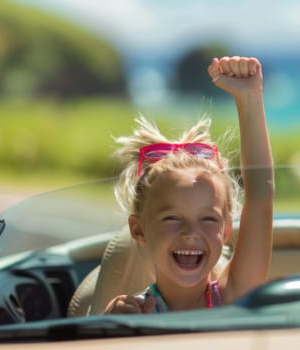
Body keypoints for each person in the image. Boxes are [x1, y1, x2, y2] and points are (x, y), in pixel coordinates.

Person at [104, 55, 274, 313]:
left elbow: (261, 195)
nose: (190, 232)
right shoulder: (132, 313)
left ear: (227, 230)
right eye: (172, 218)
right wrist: (112, 329)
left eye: (208, 219)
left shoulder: (231, 297)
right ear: (138, 229)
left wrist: (250, 98)